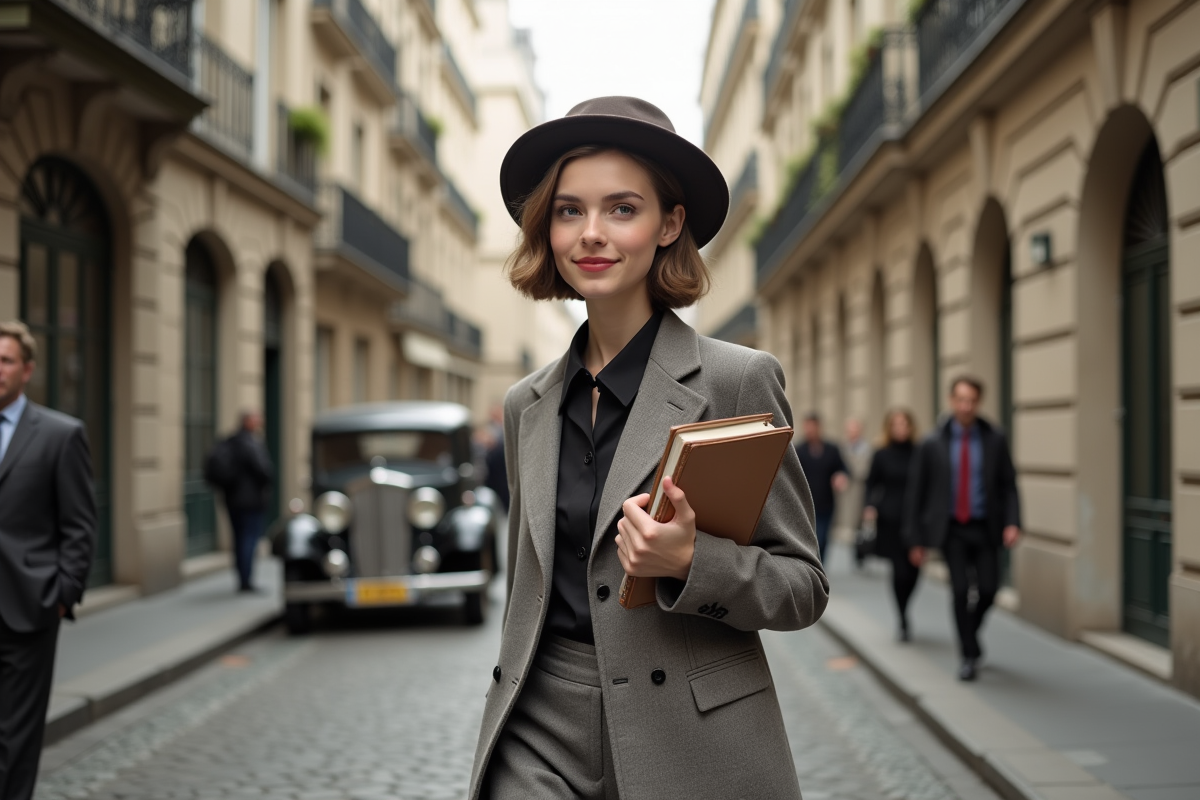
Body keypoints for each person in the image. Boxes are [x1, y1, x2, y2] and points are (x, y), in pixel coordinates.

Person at [469, 97, 828, 799]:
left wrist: (692, 562)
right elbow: (524, 588)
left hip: (688, 738)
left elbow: (802, 587)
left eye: (622, 209)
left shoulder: (736, 380)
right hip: (539, 723)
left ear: (669, 224)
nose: (591, 233)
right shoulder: (525, 406)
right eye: (569, 210)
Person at [0, 321, 96, 800]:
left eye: (5, 360)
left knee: (15, 736)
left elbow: (79, 525)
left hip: (26, 607)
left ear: (27, 370)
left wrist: (62, 595)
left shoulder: (61, 434)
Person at [904, 377, 1021, 681]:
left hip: (985, 527)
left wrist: (1013, 522)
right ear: (951, 400)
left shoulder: (994, 438)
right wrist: (915, 540)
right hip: (951, 529)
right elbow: (916, 493)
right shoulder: (932, 442)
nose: (966, 406)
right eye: (961, 400)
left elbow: (1008, 485)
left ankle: (970, 633)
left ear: (978, 402)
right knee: (959, 591)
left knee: (989, 590)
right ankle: (968, 655)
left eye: (972, 401)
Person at [863, 409, 919, 641]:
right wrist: (869, 506)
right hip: (890, 519)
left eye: (904, 424)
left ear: (910, 427)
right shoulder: (881, 454)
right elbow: (871, 483)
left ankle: (906, 605)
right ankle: (902, 615)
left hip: (915, 520)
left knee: (914, 572)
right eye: (895, 424)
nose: (900, 428)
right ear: (889, 427)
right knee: (900, 570)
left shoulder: (919, 453)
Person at [206, 412, 274, 593]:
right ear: (249, 423)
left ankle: (241, 577)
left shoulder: (230, 441)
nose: (260, 422)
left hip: (232, 500)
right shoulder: (251, 443)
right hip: (251, 502)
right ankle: (246, 580)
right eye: (257, 419)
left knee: (238, 538)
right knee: (249, 539)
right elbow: (264, 470)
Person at [794, 412, 849, 562]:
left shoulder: (832, 449)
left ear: (819, 427)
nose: (809, 430)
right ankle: (811, 564)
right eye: (807, 427)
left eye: (812, 427)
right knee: (809, 538)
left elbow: (843, 468)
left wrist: (841, 476)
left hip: (826, 503)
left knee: (823, 538)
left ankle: (820, 565)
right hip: (805, 504)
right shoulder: (798, 450)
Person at [838, 417, 873, 567]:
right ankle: (858, 550)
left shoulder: (867, 449)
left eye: (854, 430)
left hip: (862, 490)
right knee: (852, 522)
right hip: (848, 492)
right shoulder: (843, 448)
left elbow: (864, 470)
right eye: (849, 430)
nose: (851, 433)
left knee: (861, 523)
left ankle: (862, 552)